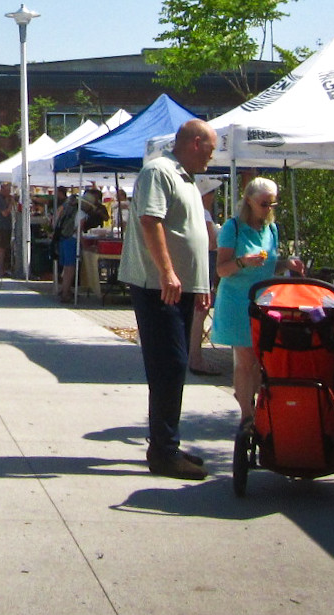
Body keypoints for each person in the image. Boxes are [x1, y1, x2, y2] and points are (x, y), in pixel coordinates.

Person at [117, 118, 217, 479]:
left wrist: (200, 284)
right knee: (169, 365)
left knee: (174, 366)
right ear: (194, 143)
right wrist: (167, 271)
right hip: (159, 287)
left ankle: (166, 443)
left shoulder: (186, 178)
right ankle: (163, 452)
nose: (212, 157)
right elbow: (151, 221)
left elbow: (188, 234)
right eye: (210, 149)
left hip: (179, 288)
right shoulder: (159, 171)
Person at [213, 177, 299, 425]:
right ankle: (247, 416)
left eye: (272, 204)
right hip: (237, 302)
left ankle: (253, 404)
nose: (268, 209)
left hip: (264, 303)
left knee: (260, 361)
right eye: (264, 204)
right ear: (249, 201)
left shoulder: (271, 229)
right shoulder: (233, 228)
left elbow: (269, 266)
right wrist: (242, 262)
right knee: (245, 360)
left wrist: (286, 264)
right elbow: (221, 270)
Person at [188, 185, 222, 374]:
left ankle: (191, 354)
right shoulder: (204, 213)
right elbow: (211, 242)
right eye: (211, 193)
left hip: (192, 263)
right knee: (200, 310)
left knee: (195, 311)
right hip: (205, 263)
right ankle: (195, 356)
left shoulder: (190, 210)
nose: (212, 197)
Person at [0, 181, 15, 276]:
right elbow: (4, 213)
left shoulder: (2, 199)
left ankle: (3, 268)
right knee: (2, 248)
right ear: (3, 189)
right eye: (8, 190)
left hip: (5, 227)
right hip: (2, 227)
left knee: (4, 248)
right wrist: (11, 204)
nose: (9, 192)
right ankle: (0, 270)